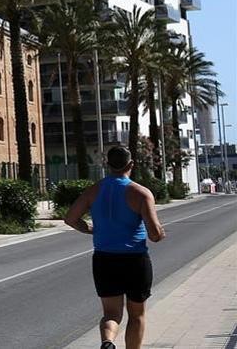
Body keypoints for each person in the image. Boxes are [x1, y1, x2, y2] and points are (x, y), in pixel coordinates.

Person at [65, 146, 166, 349]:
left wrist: (90, 229)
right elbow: (154, 235)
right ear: (131, 165)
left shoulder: (94, 190)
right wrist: (160, 233)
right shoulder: (140, 193)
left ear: (107, 165)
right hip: (135, 260)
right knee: (137, 315)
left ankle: (108, 341)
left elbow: (70, 218)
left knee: (111, 314)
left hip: (104, 259)